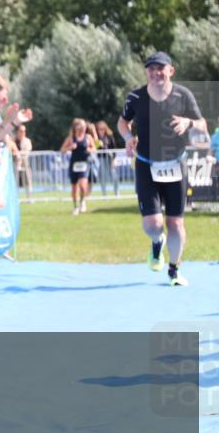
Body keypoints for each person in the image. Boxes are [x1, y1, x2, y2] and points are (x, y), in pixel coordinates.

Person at [117, 51, 206, 286]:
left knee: (176, 223)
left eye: (161, 68)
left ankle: (174, 270)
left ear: (171, 71)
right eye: (151, 68)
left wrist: (189, 122)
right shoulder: (135, 97)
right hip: (146, 166)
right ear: (147, 72)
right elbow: (123, 121)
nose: (156, 72)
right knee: (153, 226)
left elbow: (202, 124)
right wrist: (128, 138)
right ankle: (157, 242)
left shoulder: (183, 95)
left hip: (176, 165)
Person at [60, 118, 95, 215]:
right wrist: (69, 147)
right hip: (74, 164)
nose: (83, 128)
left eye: (84, 126)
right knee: (74, 188)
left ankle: (82, 202)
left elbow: (94, 148)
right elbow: (62, 150)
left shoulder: (88, 137)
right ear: (76, 127)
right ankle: (75, 207)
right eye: (81, 126)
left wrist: (90, 149)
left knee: (83, 186)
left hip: (84, 164)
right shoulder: (71, 138)